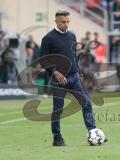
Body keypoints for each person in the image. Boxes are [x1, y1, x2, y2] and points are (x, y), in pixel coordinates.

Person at [39, 10, 106, 146]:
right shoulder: (48, 38)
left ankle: (93, 132)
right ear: (56, 21)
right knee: (58, 109)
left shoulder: (72, 36)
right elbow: (42, 60)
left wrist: (78, 69)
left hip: (74, 77)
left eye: (68, 21)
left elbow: (73, 54)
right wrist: (55, 73)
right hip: (58, 81)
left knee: (86, 103)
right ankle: (57, 138)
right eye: (63, 22)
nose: (66, 24)